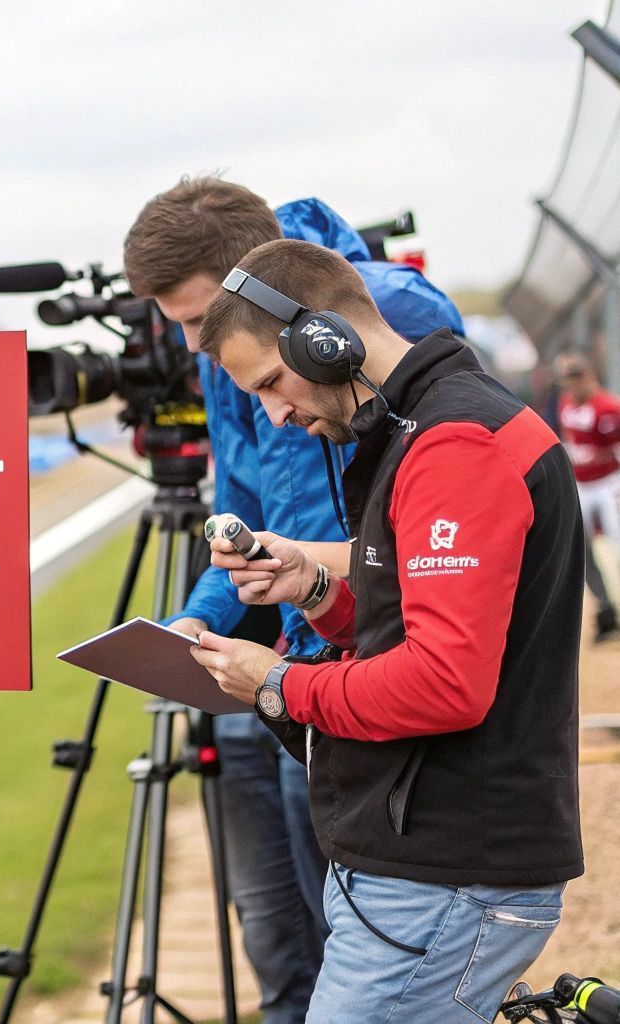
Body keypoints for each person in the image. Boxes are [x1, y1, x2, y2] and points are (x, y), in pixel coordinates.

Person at [190, 238, 582, 1023]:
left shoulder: (453, 444)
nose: (276, 415)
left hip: (446, 872)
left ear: (325, 340)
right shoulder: (416, 429)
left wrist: (276, 683)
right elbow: (423, 630)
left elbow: (444, 684)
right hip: (422, 866)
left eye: (271, 383)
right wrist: (318, 593)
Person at [122, 177, 463, 1024]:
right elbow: (238, 515)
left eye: (202, 321)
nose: (196, 346)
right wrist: (196, 616)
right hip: (296, 664)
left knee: (371, 962)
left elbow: (443, 537)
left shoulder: (390, 318)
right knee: (292, 944)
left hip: (373, 677)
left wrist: (317, 576)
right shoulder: (232, 357)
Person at [555, 351, 620, 641]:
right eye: (568, 378)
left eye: (578, 377)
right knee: (581, 548)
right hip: (582, 484)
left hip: (610, 482)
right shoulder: (566, 403)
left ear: (590, 376)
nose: (573, 384)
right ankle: (606, 610)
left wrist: (596, 455)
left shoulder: (608, 407)